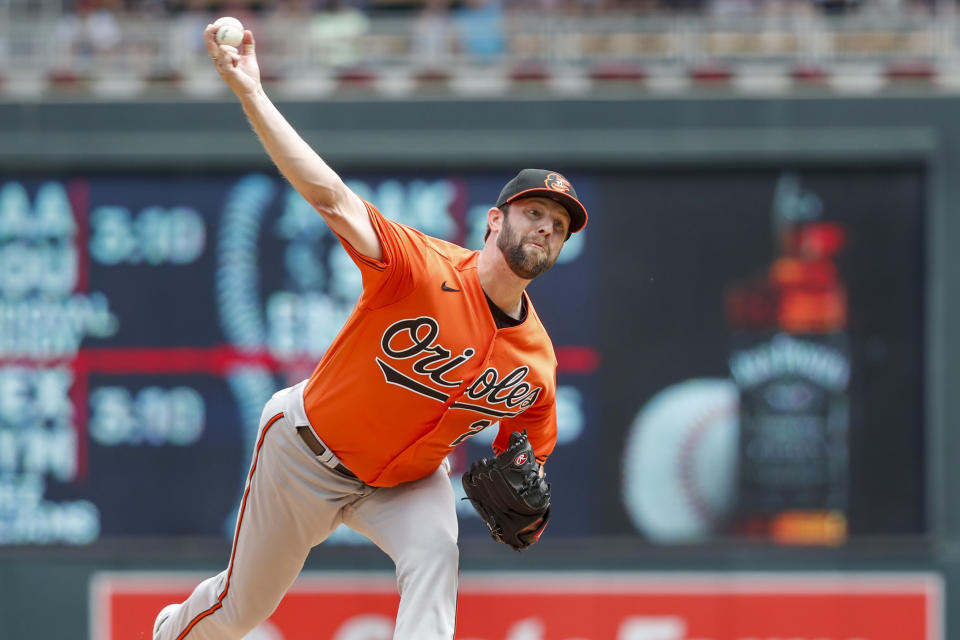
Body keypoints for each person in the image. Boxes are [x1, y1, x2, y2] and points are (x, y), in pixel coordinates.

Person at [152, 22, 589, 640]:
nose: (546, 228)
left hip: (407, 483)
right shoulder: (418, 266)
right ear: (494, 221)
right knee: (239, 610)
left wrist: (531, 506)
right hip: (306, 455)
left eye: (559, 225)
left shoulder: (536, 361)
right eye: (534, 213)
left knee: (437, 554)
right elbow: (329, 196)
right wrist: (251, 91)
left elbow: (526, 458)